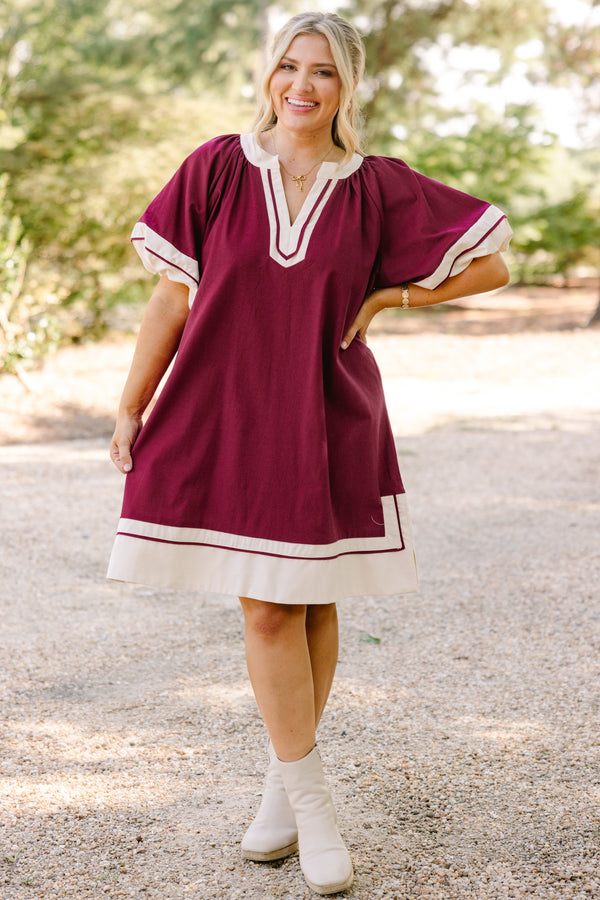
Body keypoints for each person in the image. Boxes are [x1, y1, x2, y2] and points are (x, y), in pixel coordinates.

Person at [108, 10, 511, 895]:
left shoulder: (377, 188)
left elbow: (491, 264)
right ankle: (311, 801)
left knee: (312, 602)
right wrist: (133, 405)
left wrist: (391, 300)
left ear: (348, 85)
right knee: (268, 611)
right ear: (268, 75)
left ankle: (287, 789)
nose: (302, 84)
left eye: (322, 72)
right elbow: (173, 301)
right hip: (230, 411)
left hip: (329, 415)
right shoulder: (216, 168)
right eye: (289, 66)